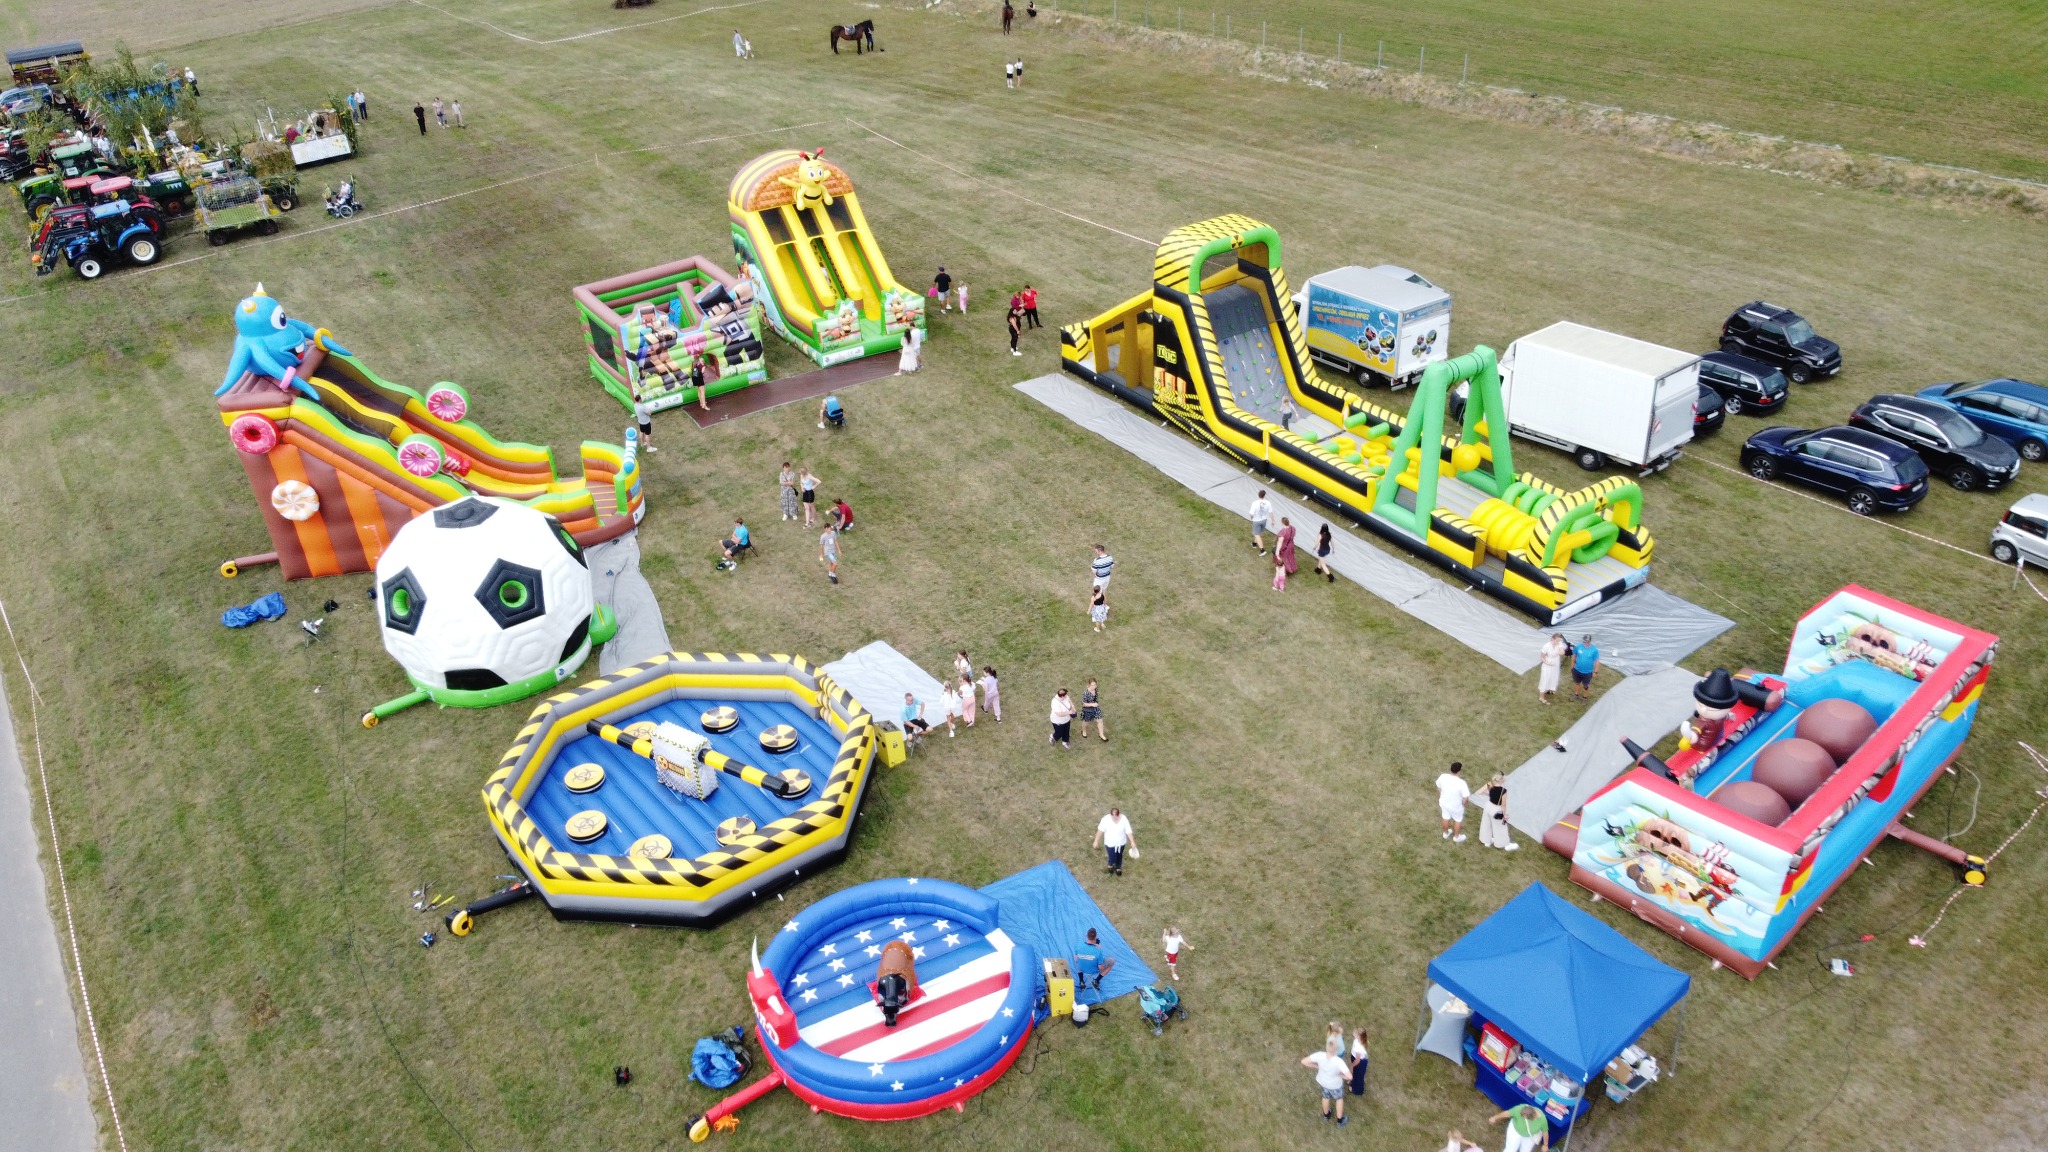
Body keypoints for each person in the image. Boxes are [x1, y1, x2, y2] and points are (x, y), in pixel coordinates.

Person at [1301, 1036, 1350, 1126]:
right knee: (1339, 1099)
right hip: (1336, 1085)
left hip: (1324, 1082)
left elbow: (1304, 1061)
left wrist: (1316, 1066)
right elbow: (1349, 1077)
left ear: (1326, 1047)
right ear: (1336, 1049)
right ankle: (1340, 1121)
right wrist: (1339, 1075)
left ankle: (1326, 1115)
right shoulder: (1339, 1061)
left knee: (1325, 1097)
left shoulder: (1319, 1055)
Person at [1479, 773, 1518, 851]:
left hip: (1488, 806)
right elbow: (1503, 804)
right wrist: (1505, 815)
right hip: (1497, 809)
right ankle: (1503, 844)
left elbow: (1480, 792)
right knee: (1500, 827)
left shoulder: (1490, 784)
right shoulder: (1503, 791)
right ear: (1502, 781)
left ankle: (1486, 841)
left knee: (1486, 824)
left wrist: (1489, 795)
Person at [1093, 805, 1135, 875]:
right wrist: (1096, 841)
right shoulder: (1105, 819)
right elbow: (1100, 831)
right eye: (1113, 816)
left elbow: (1128, 831)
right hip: (1110, 844)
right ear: (1111, 815)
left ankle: (1118, 867)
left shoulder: (1124, 819)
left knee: (1119, 855)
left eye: (1117, 816)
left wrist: (1132, 841)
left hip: (1121, 843)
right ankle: (1110, 864)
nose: (1115, 818)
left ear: (1119, 814)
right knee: (1113, 857)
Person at [1072, 928, 1115, 993]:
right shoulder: (1098, 951)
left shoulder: (1078, 946)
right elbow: (1100, 967)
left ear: (1086, 936)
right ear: (1096, 937)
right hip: (1093, 970)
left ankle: (1081, 981)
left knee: (1079, 961)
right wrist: (1098, 947)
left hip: (1081, 967)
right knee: (1112, 961)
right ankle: (1096, 981)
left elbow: (1075, 958)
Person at [1436, 762, 1471, 842]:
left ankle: (1445, 833)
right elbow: (1466, 797)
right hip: (1456, 806)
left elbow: (1438, 786)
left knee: (1445, 817)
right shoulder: (1461, 783)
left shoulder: (1443, 777)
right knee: (1458, 820)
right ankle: (1457, 837)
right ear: (1459, 771)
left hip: (1444, 802)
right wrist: (1464, 804)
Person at [1538, 632, 1568, 704]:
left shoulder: (1559, 645)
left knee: (1553, 677)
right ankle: (1541, 697)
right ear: (1553, 639)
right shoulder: (1546, 646)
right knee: (1545, 679)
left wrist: (1560, 645)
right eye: (1557, 640)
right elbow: (1542, 656)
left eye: (1559, 640)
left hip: (1555, 664)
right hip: (1548, 664)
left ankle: (1549, 689)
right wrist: (1547, 663)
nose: (1558, 642)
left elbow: (1562, 653)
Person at [1570, 634, 1600, 702]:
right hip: (1577, 670)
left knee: (1586, 686)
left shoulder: (1594, 650)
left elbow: (1597, 661)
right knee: (1577, 683)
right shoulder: (1578, 647)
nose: (1586, 643)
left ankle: (1585, 698)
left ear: (1590, 641)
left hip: (1587, 672)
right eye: (1584, 642)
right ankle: (1576, 694)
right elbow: (1574, 656)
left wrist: (1595, 671)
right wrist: (1572, 666)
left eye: (1587, 642)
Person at [1272, 516, 1297, 591]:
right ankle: (1291, 568)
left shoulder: (1283, 532)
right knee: (1290, 557)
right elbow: (1293, 535)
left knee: (1282, 558)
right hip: (1291, 545)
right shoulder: (1293, 528)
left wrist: (1277, 551)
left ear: (1282, 522)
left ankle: (1284, 570)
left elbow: (1280, 542)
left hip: (1284, 547)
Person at [1249, 489, 1273, 554]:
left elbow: (1251, 513)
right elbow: (1271, 512)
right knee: (1258, 533)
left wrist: (1252, 519)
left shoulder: (1255, 503)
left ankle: (1262, 550)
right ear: (1264, 495)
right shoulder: (1268, 503)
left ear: (1258, 495)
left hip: (1256, 521)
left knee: (1257, 534)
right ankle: (1254, 543)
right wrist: (1273, 520)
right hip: (1264, 520)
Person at [1349, 1027, 1370, 1097]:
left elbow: (1357, 1060)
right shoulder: (1357, 1040)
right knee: (1355, 1073)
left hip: (1360, 1062)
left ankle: (1357, 1090)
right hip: (1355, 1058)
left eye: (1355, 1033)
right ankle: (1352, 1081)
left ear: (1359, 1036)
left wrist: (1352, 1065)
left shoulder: (1359, 1047)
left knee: (1359, 1076)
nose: (1353, 1033)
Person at [819, 518, 840, 584]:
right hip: (828, 552)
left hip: (833, 550)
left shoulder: (833, 533)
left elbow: (835, 541)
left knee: (831, 563)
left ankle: (830, 573)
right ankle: (833, 575)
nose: (829, 530)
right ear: (825, 529)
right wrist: (821, 555)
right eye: (827, 529)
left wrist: (839, 550)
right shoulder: (823, 536)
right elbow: (821, 546)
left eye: (830, 528)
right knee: (835, 564)